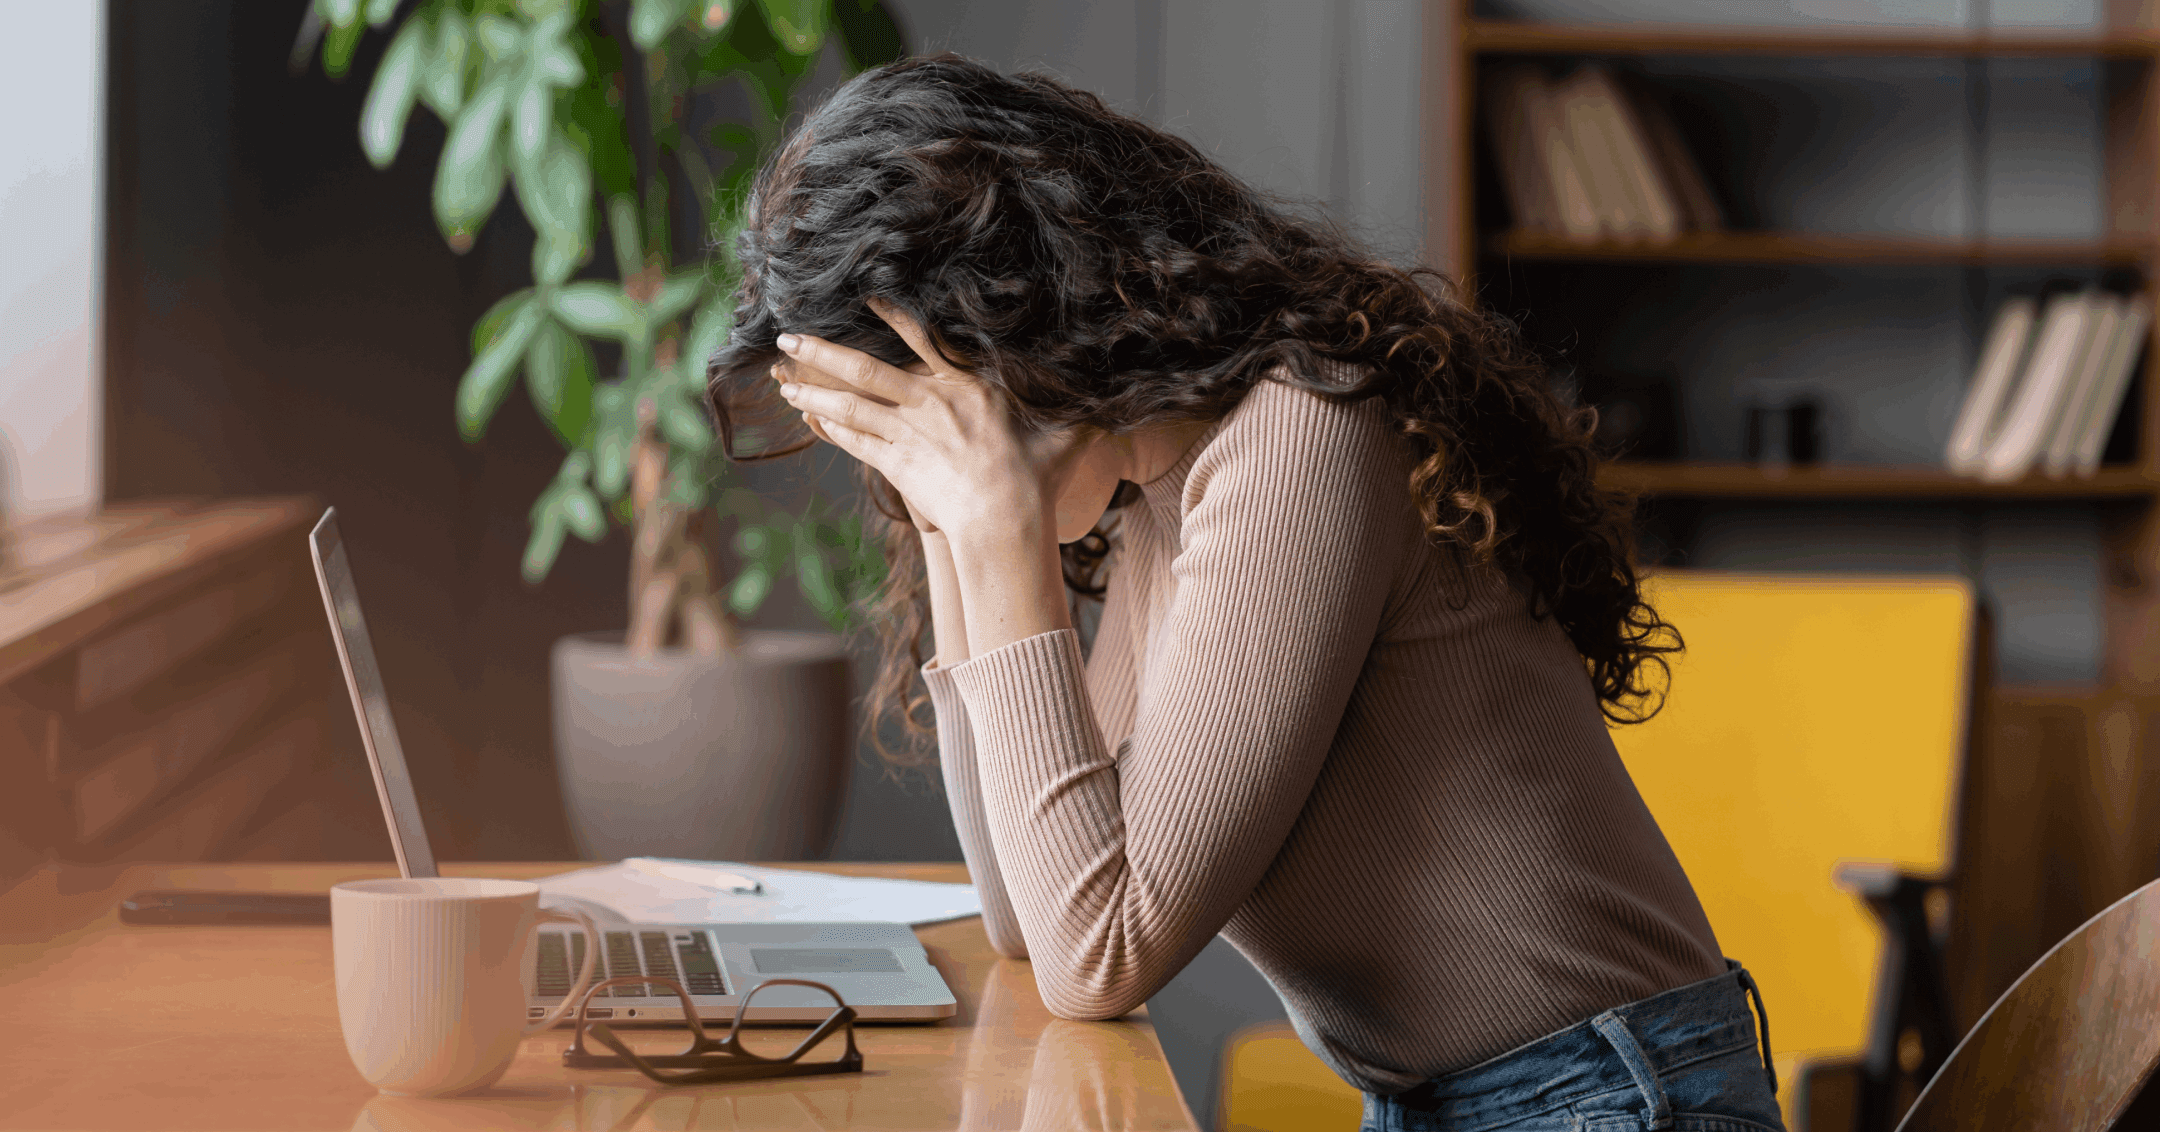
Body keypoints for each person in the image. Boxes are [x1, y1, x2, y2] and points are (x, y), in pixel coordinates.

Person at [709, 53, 1786, 1132]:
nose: (917, 459)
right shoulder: (1155, 495)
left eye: (917, 414)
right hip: (1466, 1103)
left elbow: (1100, 955)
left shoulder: (1300, 431)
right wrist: (949, 519)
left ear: (1012, 318)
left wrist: (994, 526)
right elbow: (1026, 921)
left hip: (1613, 1099)